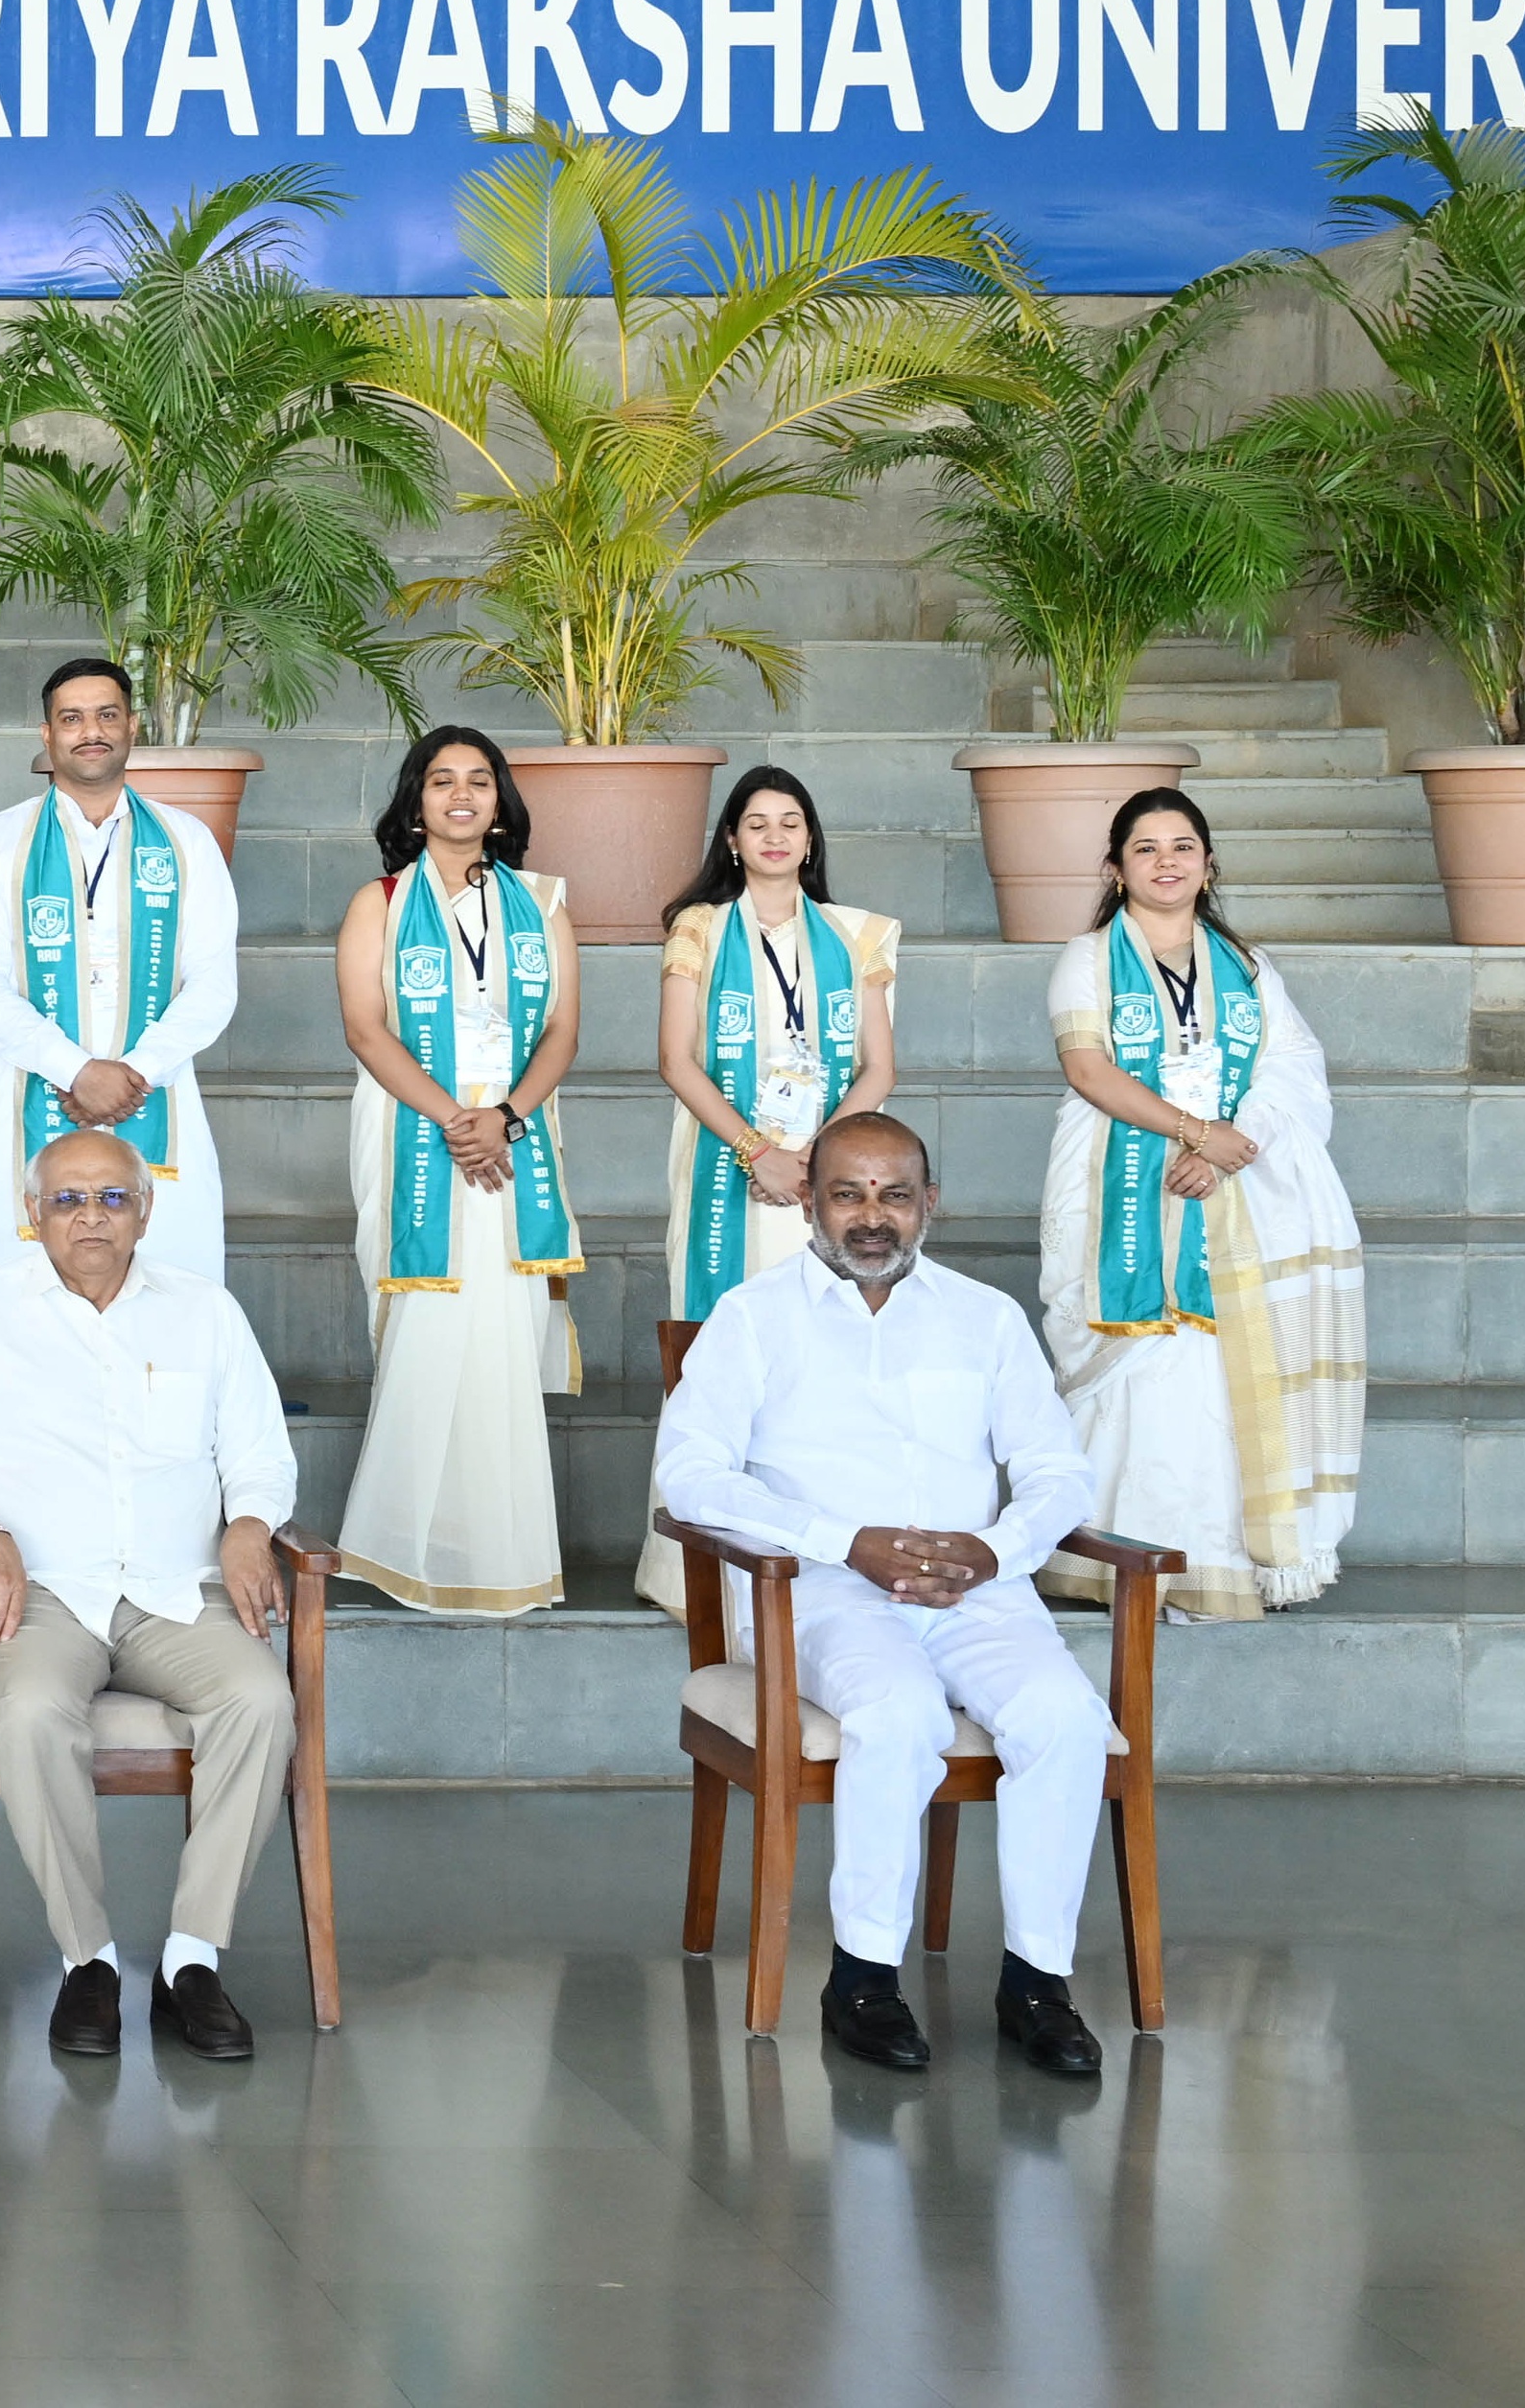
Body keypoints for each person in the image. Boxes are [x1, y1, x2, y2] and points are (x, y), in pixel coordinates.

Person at [652, 1111, 1117, 2081]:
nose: (872, 1218)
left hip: (971, 1589)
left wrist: (992, 1553)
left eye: (894, 1194)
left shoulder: (983, 1317)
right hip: (820, 1590)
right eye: (847, 1194)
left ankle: (1037, 1985)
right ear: (809, 1202)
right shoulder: (753, 1316)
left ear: (928, 1204)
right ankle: (862, 1978)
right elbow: (689, 1478)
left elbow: (1055, 1474)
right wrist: (842, 1541)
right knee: (897, 1714)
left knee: (1065, 1719)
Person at [0, 1126, 304, 2065]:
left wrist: (248, 1526)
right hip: (35, 1595)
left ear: (145, 1212)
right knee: (30, 1713)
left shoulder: (204, 1313)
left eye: (110, 1198)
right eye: (67, 1199)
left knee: (260, 1700)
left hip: (174, 1592)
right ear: (31, 1215)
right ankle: (90, 1962)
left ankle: (191, 1962)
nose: (89, 1215)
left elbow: (259, 1457)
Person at [1036, 785, 1369, 1619]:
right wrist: (1194, 1133)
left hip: (1224, 1192)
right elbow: (1089, 1070)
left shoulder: (1247, 967)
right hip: (1117, 1183)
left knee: (1206, 1369)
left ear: (1208, 863)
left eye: (1181, 846)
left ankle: (1208, 1561)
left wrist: (1227, 1149)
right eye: (1144, 849)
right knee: (1137, 1358)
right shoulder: (1086, 956)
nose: (1165, 862)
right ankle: (1108, 1555)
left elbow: (1291, 1074)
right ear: (1114, 870)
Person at [330, 727, 586, 1615]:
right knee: (426, 1325)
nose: (461, 795)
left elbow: (561, 1030)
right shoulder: (381, 902)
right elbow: (366, 1028)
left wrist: (504, 1119)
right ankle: (404, 1544)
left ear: (500, 800)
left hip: (511, 1138)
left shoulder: (544, 900)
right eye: (441, 781)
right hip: (414, 1130)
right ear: (415, 801)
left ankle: (502, 1552)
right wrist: (452, 1119)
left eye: (479, 780)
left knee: (500, 1332)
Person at [0, 658, 241, 1296]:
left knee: (166, 1298)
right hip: (28, 1097)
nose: (91, 731)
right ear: (46, 735)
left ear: (132, 727)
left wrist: (134, 1073)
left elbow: (213, 984)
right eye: (71, 718)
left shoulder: (187, 842)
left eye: (107, 714)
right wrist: (77, 1071)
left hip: (157, 1098)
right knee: (25, 1306)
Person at [648, 761, 903, 1381]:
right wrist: (756, 1152)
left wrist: (814, 1160)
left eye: (790, 823)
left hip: (825, 1173)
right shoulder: (698, 928)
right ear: (731, 840)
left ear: (810, 838)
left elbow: (879, 1068)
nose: (775, 835)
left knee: (819, 1348)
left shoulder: (854, 934)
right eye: (756, 823)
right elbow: (673, 1060)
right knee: (728, 1348)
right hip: (728, 1159)